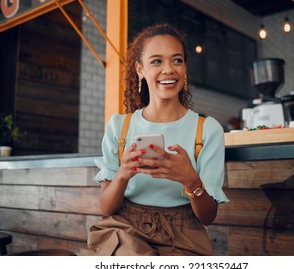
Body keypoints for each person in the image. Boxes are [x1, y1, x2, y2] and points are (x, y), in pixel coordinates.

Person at [88, 23, 229, 256]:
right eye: (156, 61)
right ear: (139, 69)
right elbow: (106, 208)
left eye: (177, 60)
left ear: (185, 68)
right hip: (125, 231)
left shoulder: (207, 130)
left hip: (184, 239)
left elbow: (207, 217)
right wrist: (123, 174)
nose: (168, 69)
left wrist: (191, 182)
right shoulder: (118, 127)